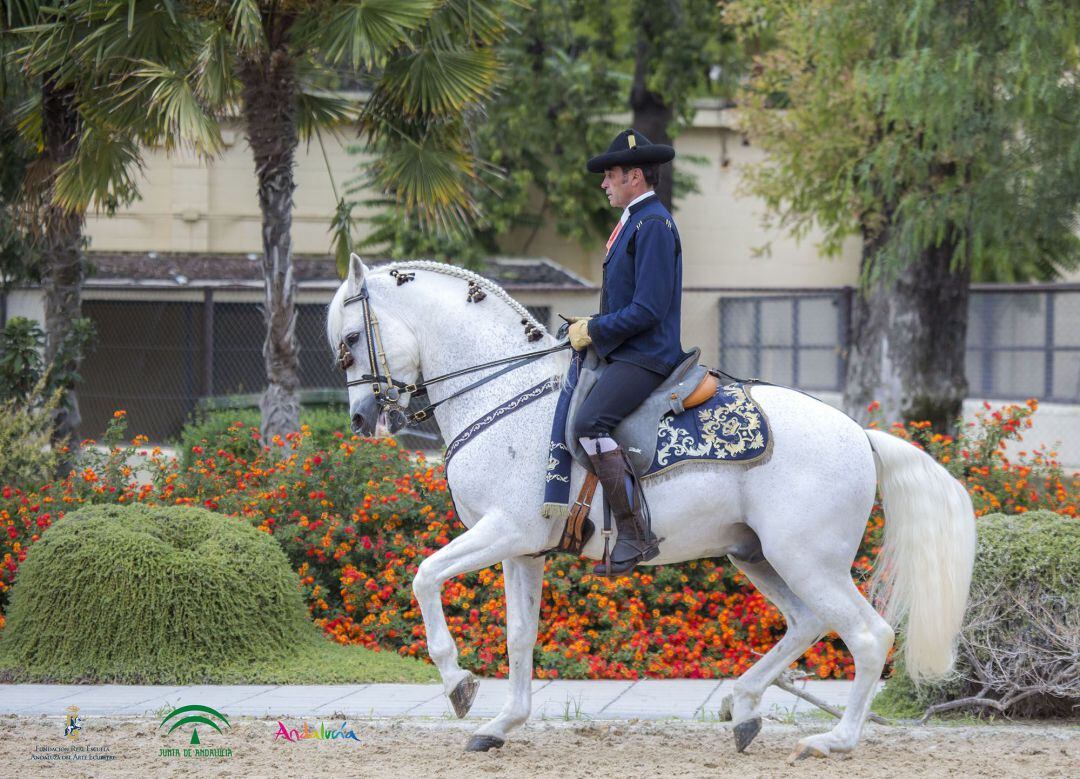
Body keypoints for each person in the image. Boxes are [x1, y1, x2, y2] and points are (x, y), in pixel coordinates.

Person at [569, 128, 685, 576]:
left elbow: (649, 308)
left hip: (647, 355)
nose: (604, 183)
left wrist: (594, 330)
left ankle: (635, 535)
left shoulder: (652, 223)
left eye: (611, 175)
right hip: (626, 350)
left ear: (634, 176)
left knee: (588, 422)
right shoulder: (637, 220)